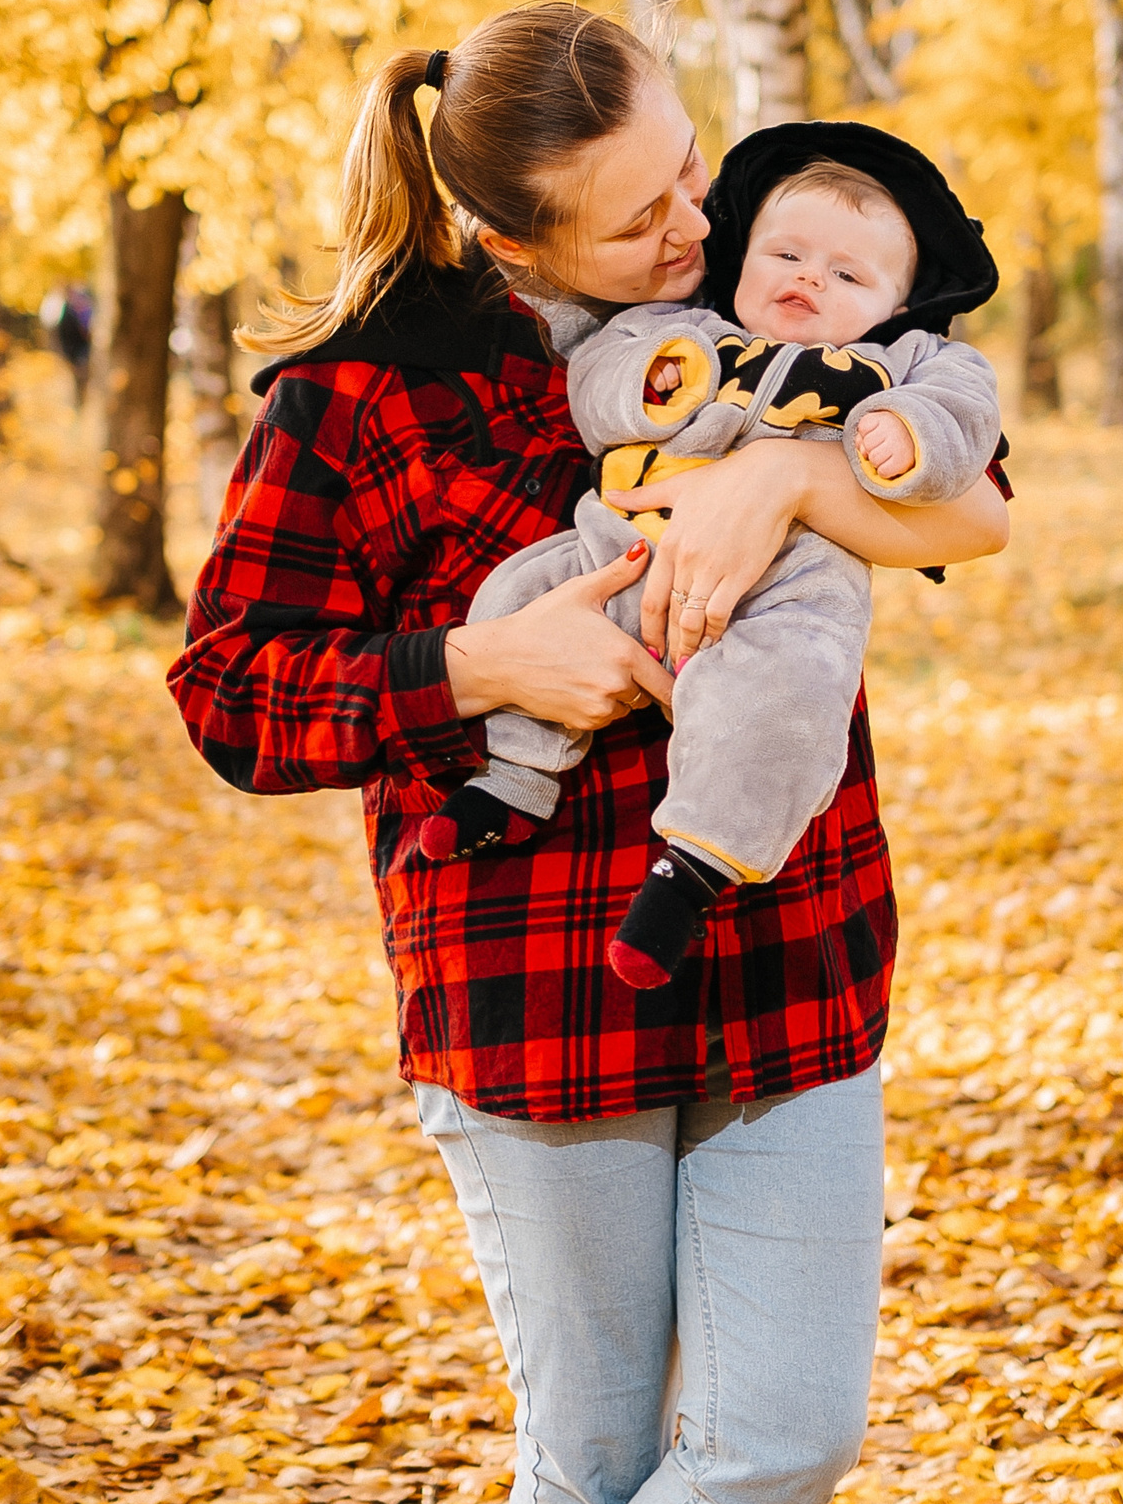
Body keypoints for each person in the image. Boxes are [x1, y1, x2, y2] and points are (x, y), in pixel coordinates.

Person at [170, 3, 1008, 1504]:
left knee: (783, 1430)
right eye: (640, 208)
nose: (698, 218)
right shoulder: (357, 397)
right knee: (599, 1458)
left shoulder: (759, 306)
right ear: (510, 220)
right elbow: (230, 691)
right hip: (534, 994)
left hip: (789, 941)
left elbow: (970, 486)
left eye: (695, 165)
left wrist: (800, 466)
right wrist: (470, 659)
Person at [423, 125, 1001, 987]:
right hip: (618, 554)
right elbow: (603, 373)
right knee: (520, 588)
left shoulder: (900, 363)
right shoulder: (686, 326)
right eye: (788, 253)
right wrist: (657, 377)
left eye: (849, 276)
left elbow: (967, 421)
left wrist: (906, 435)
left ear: (897, 304)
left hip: (788, 588)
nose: (810, 277)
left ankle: (693, 866)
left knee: (788, 696)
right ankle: (513, 776)